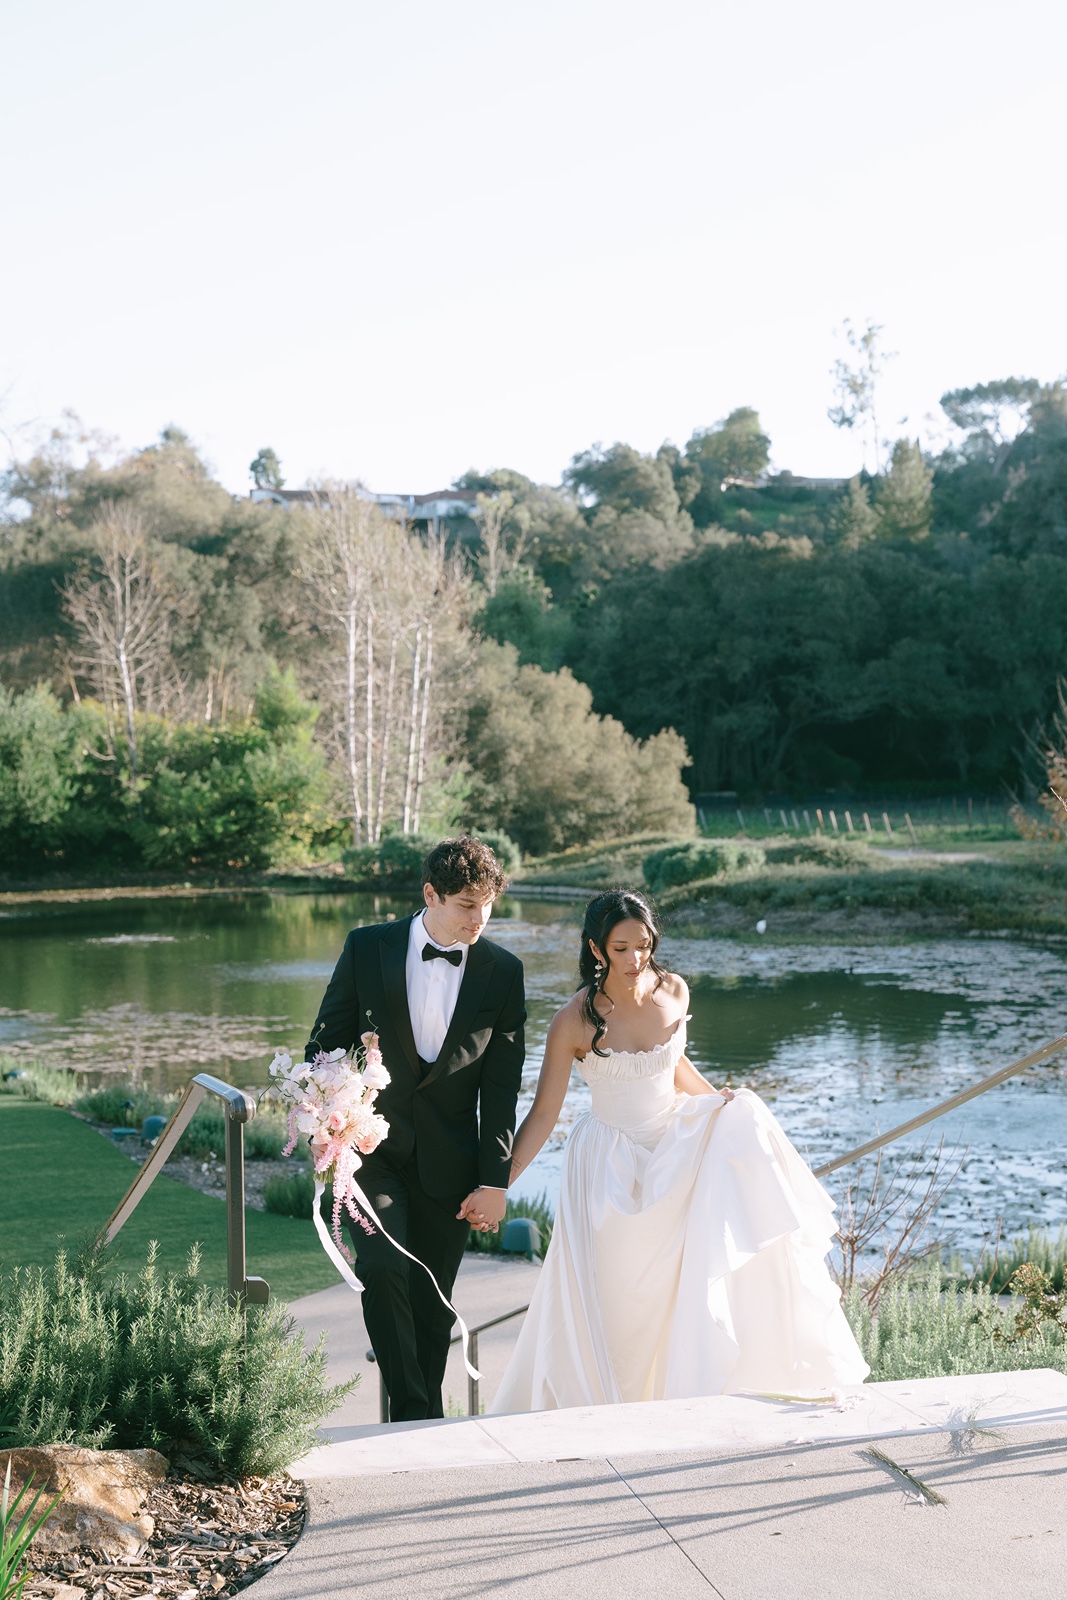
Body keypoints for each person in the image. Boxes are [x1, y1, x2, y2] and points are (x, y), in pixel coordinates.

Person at [492, 888, 868, 1413]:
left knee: (688, 1281)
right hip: (608, 1170)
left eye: (643, 945)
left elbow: (673, 1066)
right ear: (596, 949)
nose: (635, 958)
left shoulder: (673, 991)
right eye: (621, 948)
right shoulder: (574, 1020)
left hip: (676, 1159)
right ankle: (609, 1412)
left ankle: (687, 1399)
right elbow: (543, 1114)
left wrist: (718, 1103)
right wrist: (497, 1184)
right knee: (618, 1305)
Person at [306, 836, 525, 1422]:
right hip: (370, 1154)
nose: (479, 919)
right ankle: (412, 1414)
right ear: (430, 895)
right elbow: (324, 1047)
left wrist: (495, 1181)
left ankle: (421, 1424)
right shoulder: (366, 947)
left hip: (451, 1165)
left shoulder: (503, 972)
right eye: (466, 905)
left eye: (488, 905)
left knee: (432, 1306)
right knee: (381, 1269)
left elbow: (501, 1090)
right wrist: (331, 1120)